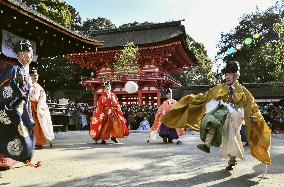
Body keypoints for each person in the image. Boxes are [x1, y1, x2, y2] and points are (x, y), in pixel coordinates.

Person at [161, 61, 271, 170]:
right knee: (211, 119)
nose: (227, 76)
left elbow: (251, 105)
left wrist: (252, 119)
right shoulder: (220, 87)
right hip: (222, 111)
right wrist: (193, 100)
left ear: (236, 76)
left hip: (236, 114)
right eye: (226, 74)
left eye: (230, 74)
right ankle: (207, 143)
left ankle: (231, 159)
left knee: (231, 135)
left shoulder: (243, 90)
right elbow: (207, 96)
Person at [0, 40, 36, 169]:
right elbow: (8, 90)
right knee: (12, 130)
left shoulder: (23, 70)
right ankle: (5, 158)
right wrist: (14, 107)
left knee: (23, 130)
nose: (31, 54)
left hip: (21, 106)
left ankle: (14, 158)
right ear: (21, 54)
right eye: (29, 52)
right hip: (13, 106)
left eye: (32, 52)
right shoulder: (15, 69)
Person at [29, 68, 54, 148]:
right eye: (33, 75)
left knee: (39, 125)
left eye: (36, 75)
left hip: (37, 107)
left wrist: (38, 108)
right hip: (28, 107)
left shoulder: (39, 88)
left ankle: (39, 142)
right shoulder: (27, 85)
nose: (35, 77)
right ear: (30, 76)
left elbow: (42, 99)